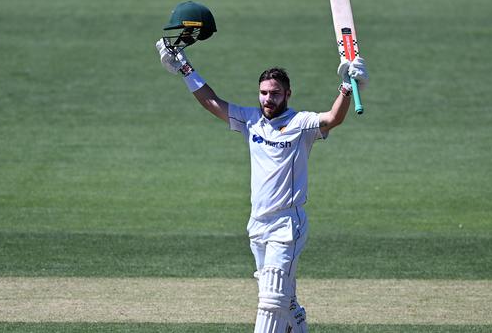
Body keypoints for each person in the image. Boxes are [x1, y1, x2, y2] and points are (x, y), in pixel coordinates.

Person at [155, 38, 368, 333]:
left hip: (286, 226)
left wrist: (347, 87)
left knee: (270, 302)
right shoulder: (251, 120)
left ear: (288, 94)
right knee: (284, 299)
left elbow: (333, 118)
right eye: (264, 93)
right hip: (257, 225)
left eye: (275, 94)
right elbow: (212, 102)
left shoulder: (301, 124)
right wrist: (184, 67)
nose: (268, 99)